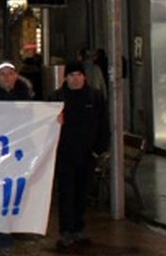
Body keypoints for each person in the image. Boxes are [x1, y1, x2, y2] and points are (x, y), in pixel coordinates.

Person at [48, 61, 109, 250]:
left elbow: (103, 125)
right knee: (66, 194)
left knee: (82, 194)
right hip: (65, 155)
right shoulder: (56, 98)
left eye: (79, 74)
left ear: (84, 77)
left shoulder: (95, 97)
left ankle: (78, 228)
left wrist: (97, 149)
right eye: (72, 75)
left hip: (87, 155)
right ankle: (66, 231)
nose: (75, 78)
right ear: (65, 77)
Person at [0, 61, 34, 256]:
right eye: (2, 74)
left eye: (10, 74)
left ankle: (7, 235)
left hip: (19, 154)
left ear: (16, 75)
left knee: (13, 197)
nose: (6, 78)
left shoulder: (27, 98)